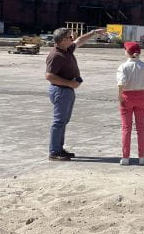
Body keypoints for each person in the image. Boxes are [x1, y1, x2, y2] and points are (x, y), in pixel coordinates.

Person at [45, 26, 106, 161]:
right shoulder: (56, 55)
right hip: (61, 91)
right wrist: (70, 83)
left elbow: (79, 41)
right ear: (62, 40)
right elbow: (49, 76)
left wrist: (93, 33)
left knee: (63, 121)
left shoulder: (66, 49)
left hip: (66, 91)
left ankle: (59, 149)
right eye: (69, 37)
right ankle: (54, 152)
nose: (72, 39)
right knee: (59, 122)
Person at [116, 42, 144, 166]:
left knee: (126, 128)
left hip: (127, 97)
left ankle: (125, 157)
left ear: (127, 52)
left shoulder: (123, 67)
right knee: (141, 128)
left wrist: (119, 96)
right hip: (142, 97)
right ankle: (142, 157)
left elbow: (121, 84)